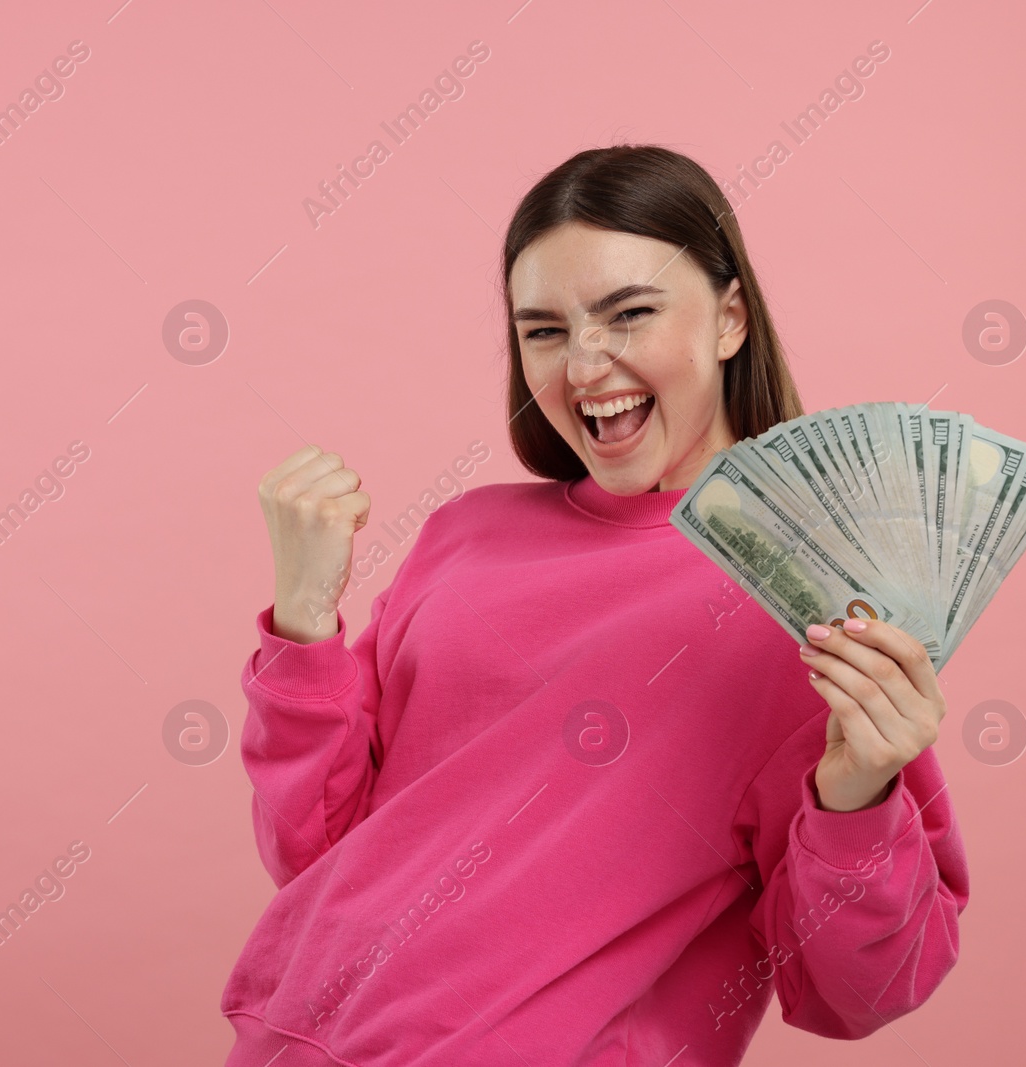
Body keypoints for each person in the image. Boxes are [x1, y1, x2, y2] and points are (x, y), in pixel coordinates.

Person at [220, 144, 968, 1066]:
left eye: (630, 313)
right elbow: (321, 859)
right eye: (543, 329)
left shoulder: (806, 597)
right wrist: (304, 619)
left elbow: (862, 991)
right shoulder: (466, 536)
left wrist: (860, 795)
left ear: (730, 317)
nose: (583, 365)